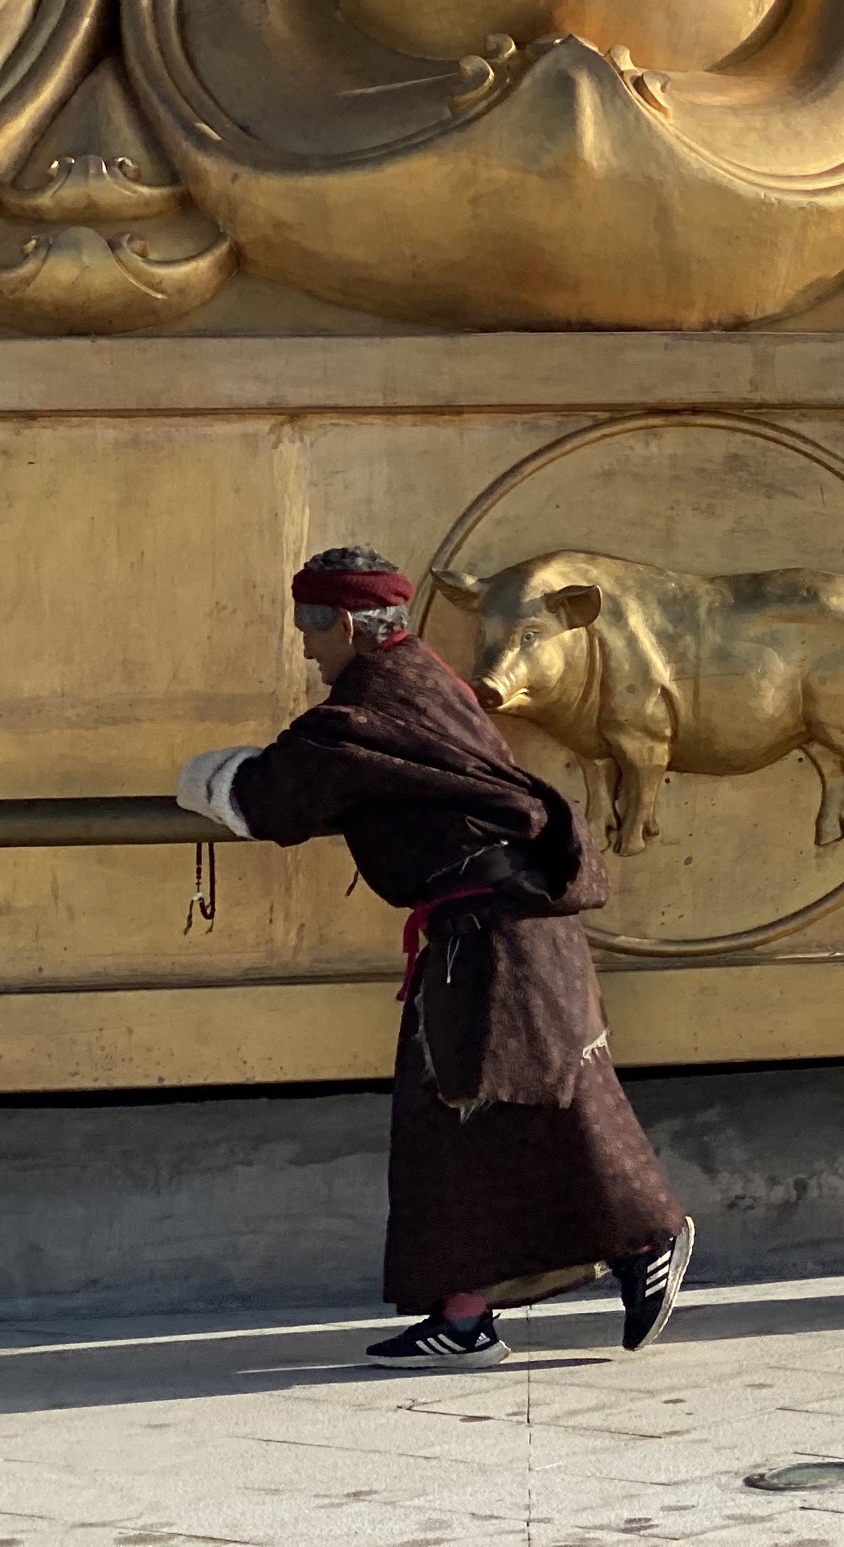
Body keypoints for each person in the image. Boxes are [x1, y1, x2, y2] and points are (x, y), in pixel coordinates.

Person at [176, 546, 693, 1369]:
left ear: (342, 624)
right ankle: (472, 1314)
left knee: (520, 1107)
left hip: (495, 938)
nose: (306, 648)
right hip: (500, 931)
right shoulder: (417, 679)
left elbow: (277, 794)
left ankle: (639, 1243)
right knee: (476, 1119)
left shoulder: (373, 701)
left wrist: (207, 781)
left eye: (310, 630)